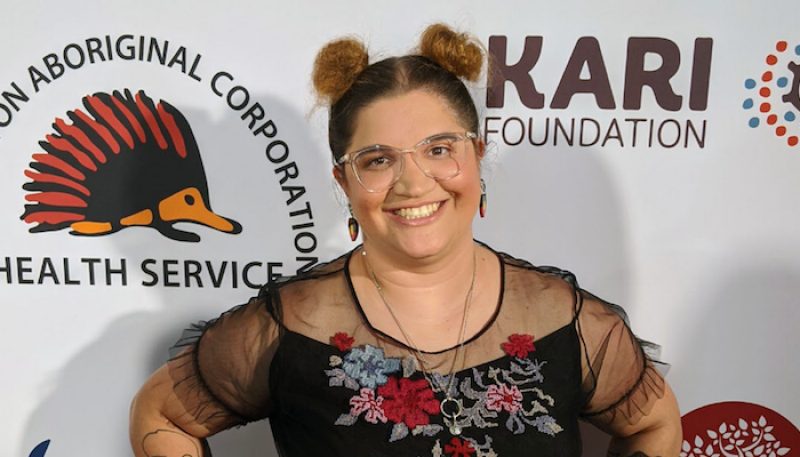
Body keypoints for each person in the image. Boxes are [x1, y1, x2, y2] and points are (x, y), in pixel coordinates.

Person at [129, 24, 681, 457]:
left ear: (476, 155)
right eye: (378, 160)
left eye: (440, 149)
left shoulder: (564, 320)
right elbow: (161, 416)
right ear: (344, 181)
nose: (414, 183)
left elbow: (653, 423)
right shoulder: (290, 325)